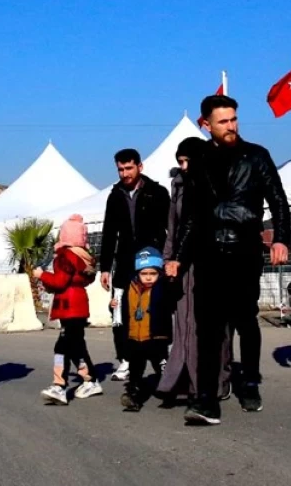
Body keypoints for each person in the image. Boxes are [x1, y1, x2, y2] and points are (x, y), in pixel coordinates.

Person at [167, 94, 291, 425]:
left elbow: (278, 200)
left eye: (234, 119)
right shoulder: (200, 161)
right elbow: (191, 216)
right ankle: (207, 399)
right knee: (208, 329)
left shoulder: (256, 156)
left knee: (245, 321)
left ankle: (249, 382)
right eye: (223, 122)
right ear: (205, 124)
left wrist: (281, 238)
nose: (231, 126)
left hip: (244, 251)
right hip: (208, 256)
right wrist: (178, 257)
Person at [157, 137, 233, 403]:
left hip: (211, 261)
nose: (184, 166)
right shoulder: (177, 185)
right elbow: (174, 227)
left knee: (211, 325)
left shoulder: (215, 183)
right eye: (180, 162)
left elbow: (205, 224)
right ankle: (185, 380)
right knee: (185, 323)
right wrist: (168, 259)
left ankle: (219, 379)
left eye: (188, 160)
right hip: (182, 264)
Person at [99, 148, 171, 384]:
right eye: (120, 169)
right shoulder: (115, 195)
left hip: (152, 262)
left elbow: (170, 228)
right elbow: (109, 233)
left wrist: (169, 258)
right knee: (119, 311)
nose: (124, 173)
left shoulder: (157, 193)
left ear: (140, 167)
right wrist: (105, 268)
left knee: (157, 310)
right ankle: (126, 360)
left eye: (129, 168)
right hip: (124, 264)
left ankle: (161, 357)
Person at [36, 214, 103, 405]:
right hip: (80, 302)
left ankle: (59, 385)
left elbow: (60, 281)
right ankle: (90, 380)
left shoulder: (65, 256)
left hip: (68, 305)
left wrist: (42, 275)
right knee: (76, 345)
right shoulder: (85, 257)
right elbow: (86, 280)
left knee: (63, 346)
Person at [118, 247, 173, 412]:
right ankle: (133, 395)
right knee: (135, 369)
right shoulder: (131, 288)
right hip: (135, 337)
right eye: (144, 273)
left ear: (159, 273)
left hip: (156, 337)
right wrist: (112, 306)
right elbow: (125, 311)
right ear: (137, 274)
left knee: (162, 366)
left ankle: (170, 391)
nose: (148, 277)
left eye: (153, 273)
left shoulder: (162, 288)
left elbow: (172, 300)